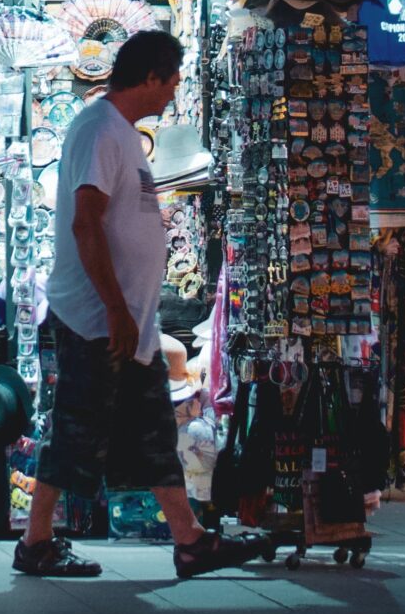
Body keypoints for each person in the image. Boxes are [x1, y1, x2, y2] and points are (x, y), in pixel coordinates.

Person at [16, 29, 260, 580]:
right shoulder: (100, 129)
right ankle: (35, 542)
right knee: (76, 431)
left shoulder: (121, 133)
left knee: (152, 434)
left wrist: (131, 314)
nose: (174, 91)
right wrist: (117, 309)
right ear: (149, 77)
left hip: (128, 324)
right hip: (98, 321)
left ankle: (190, 540)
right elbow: (86, 223)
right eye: (171, 80)